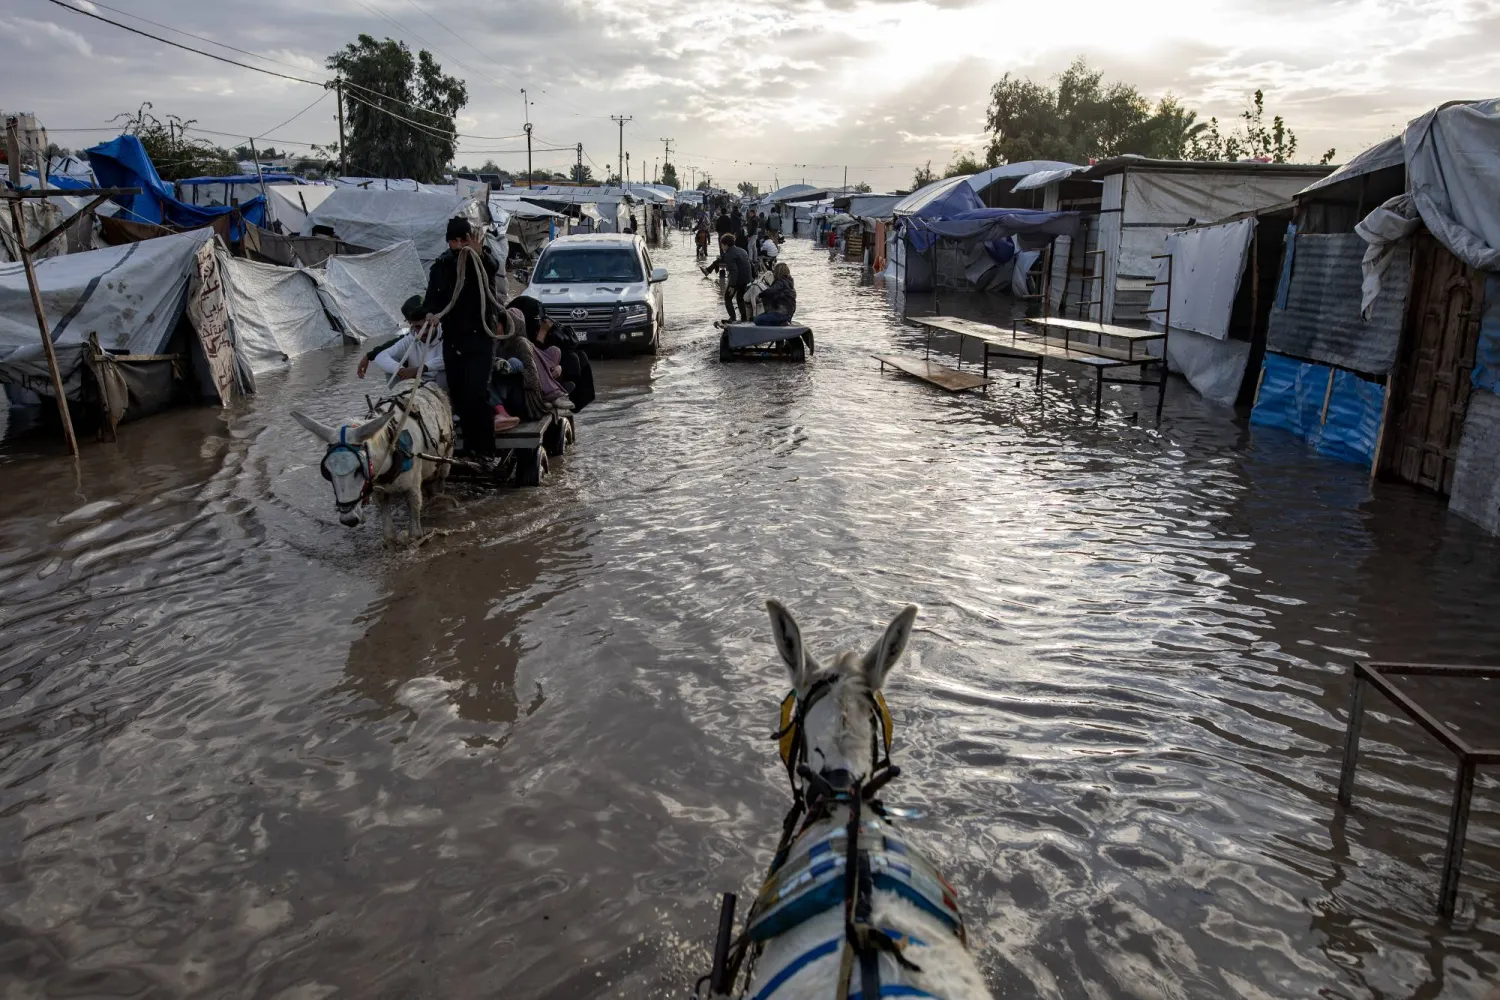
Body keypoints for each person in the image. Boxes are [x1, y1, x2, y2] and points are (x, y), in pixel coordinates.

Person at [425, 216, 501, 463]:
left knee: (477, 394)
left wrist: (479, 253)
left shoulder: (482, 261)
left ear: (470, 238)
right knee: (458, 395)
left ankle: (486, 451)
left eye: (462, 239)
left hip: (480, 340)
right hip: (454, 340)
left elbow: (494, 267)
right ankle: (467, 449)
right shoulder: (441, 267)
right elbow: (431, 301)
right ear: (448, 242)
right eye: (453, 241)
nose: (458, 245)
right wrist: (430, 315)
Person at [371, 295, 447, 389]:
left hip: (438, 384)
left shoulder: (447, 335)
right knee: (391, 370)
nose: (422, 332)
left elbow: (449, 357)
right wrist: (401, 370)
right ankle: (398, 398)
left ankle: (446, 400)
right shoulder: (411, 338)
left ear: (435, 324)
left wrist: (419, 369)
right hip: (417, 382)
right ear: (412, 325)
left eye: (427, 327)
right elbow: (381, 356)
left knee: (446, 370)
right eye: (418, 327)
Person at [703, 233, 752, 322]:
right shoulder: (742, 250)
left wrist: (732, 287)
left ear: (726, 245)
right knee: (740, 297)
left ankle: (732, 318)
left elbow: (734, 272)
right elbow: (749, 265)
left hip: (737, 280)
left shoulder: (729, 255)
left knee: (727, 298)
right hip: (747, 279)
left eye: (722, 245)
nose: (721, 247)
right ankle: (744, 318)